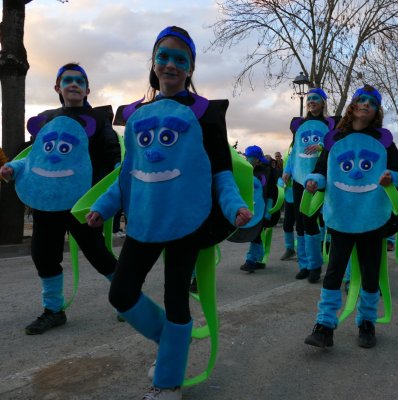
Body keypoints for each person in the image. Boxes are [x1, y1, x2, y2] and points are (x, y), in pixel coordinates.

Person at [86, 26, 251, 400]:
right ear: (154, 62)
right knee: (121, 294)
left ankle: (168, 382)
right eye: (164, 56)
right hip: (143, 220)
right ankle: (172, 345)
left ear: (190, 67)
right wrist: (103, 206)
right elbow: (128, 173)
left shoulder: (207, 114)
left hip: (187, 222)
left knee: (177, 297)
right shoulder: (138, 115)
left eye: (180, 58)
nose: (171, 64)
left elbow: (220, 171)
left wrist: (234, 205)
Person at [0, 63, 120, 335]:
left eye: (80, 80)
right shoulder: (47, 119)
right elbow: (34, 157)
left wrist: (116, 176)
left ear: (88, 89)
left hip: (82, 202)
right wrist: (13, 169)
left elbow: (112, 151)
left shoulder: (99, 119)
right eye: (67, 79)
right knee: (43, 255)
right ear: (58, 87)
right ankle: (53, 310)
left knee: (98, 254)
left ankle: (128, 300)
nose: (74, 83)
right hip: (48, 202)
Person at [303, 85, 398, 349]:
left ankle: (367, 322)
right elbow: (321, 171)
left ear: (376, 111)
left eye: (372, 102)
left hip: (372, 216)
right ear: (353, 105)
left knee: (371, 274)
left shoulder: (384, 141)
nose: (366, 104)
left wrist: (390, 177)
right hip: (342, 215)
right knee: (334, 271)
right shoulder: (336, 139)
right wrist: (314, 182)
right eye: (361, 99)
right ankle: (324, 325)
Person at [282, 87, 338, 283]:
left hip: (318, 179)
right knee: (300, 222)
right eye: (309, 99)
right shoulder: (299, 125)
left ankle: (315, 265)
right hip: (298, 178)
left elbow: (334, 149)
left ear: (323, 103)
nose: (311, 101)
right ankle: (304, 264)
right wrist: (287, 170)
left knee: (311, 220)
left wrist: (322, 146)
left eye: (316, 98)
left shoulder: (329, 125)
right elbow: (294, 149)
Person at [240, 145, 277, 272]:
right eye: (247, 157)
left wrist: (268, 211)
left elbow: (272, 192)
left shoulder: (266, 171)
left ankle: (250, 260)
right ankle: (259, 259)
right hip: (250, 207)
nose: (248, 159)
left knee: (255, 233)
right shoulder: (245, 169)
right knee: (254, 233)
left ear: (257, 159)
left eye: (250, 157)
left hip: (263, 207)